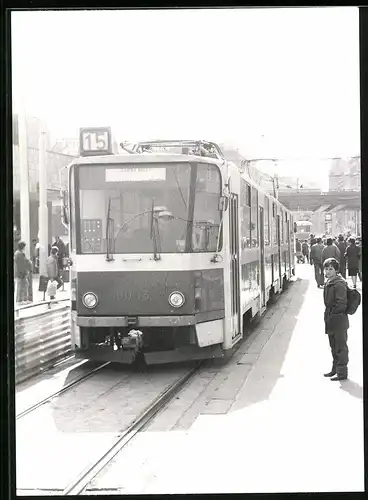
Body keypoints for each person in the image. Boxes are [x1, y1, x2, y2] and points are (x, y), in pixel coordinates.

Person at [323, 257, 349, 381]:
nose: (327, 272)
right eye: (326, 269)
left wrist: (333, 315)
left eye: (330, 269)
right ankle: (335, 369)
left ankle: (342, 373)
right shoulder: (330, 282)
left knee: (340, 346)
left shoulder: (339, 283)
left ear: (336, 270)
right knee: (333, 346)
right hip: (331, 318)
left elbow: (342, 303)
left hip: (338, 320)